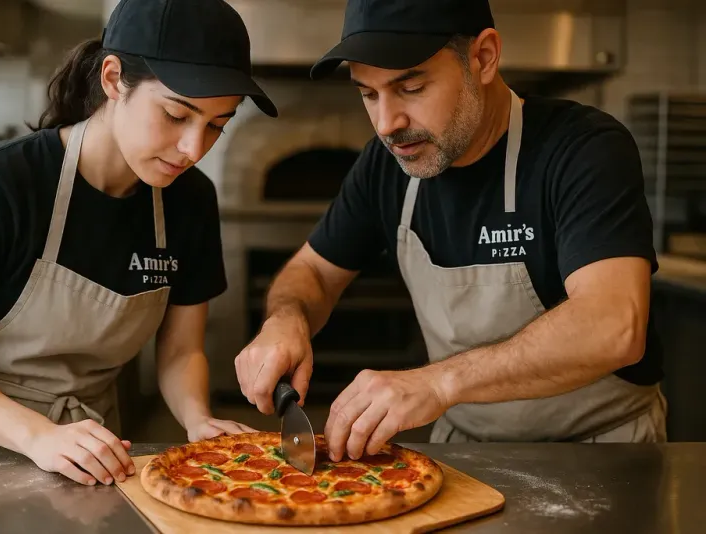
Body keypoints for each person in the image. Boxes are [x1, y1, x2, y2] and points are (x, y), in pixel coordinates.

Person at [234, 0, 667, 460]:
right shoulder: (385, 167)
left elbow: (614, 325)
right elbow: (314, 273)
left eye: (412, 87)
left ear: (483, 57)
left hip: (605, 453)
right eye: (368, 94)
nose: (387, 124)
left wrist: (438, 382)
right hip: (465, 452)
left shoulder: (583, 149)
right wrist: (287, 319)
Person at [0, 0, 278, 486]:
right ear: (111, 79)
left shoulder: (191, 201)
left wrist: (196, 419)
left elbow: (181, 350)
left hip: (95, 459)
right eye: (174, 115)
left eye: (216, 126)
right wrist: (40, 436)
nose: (193, 149)